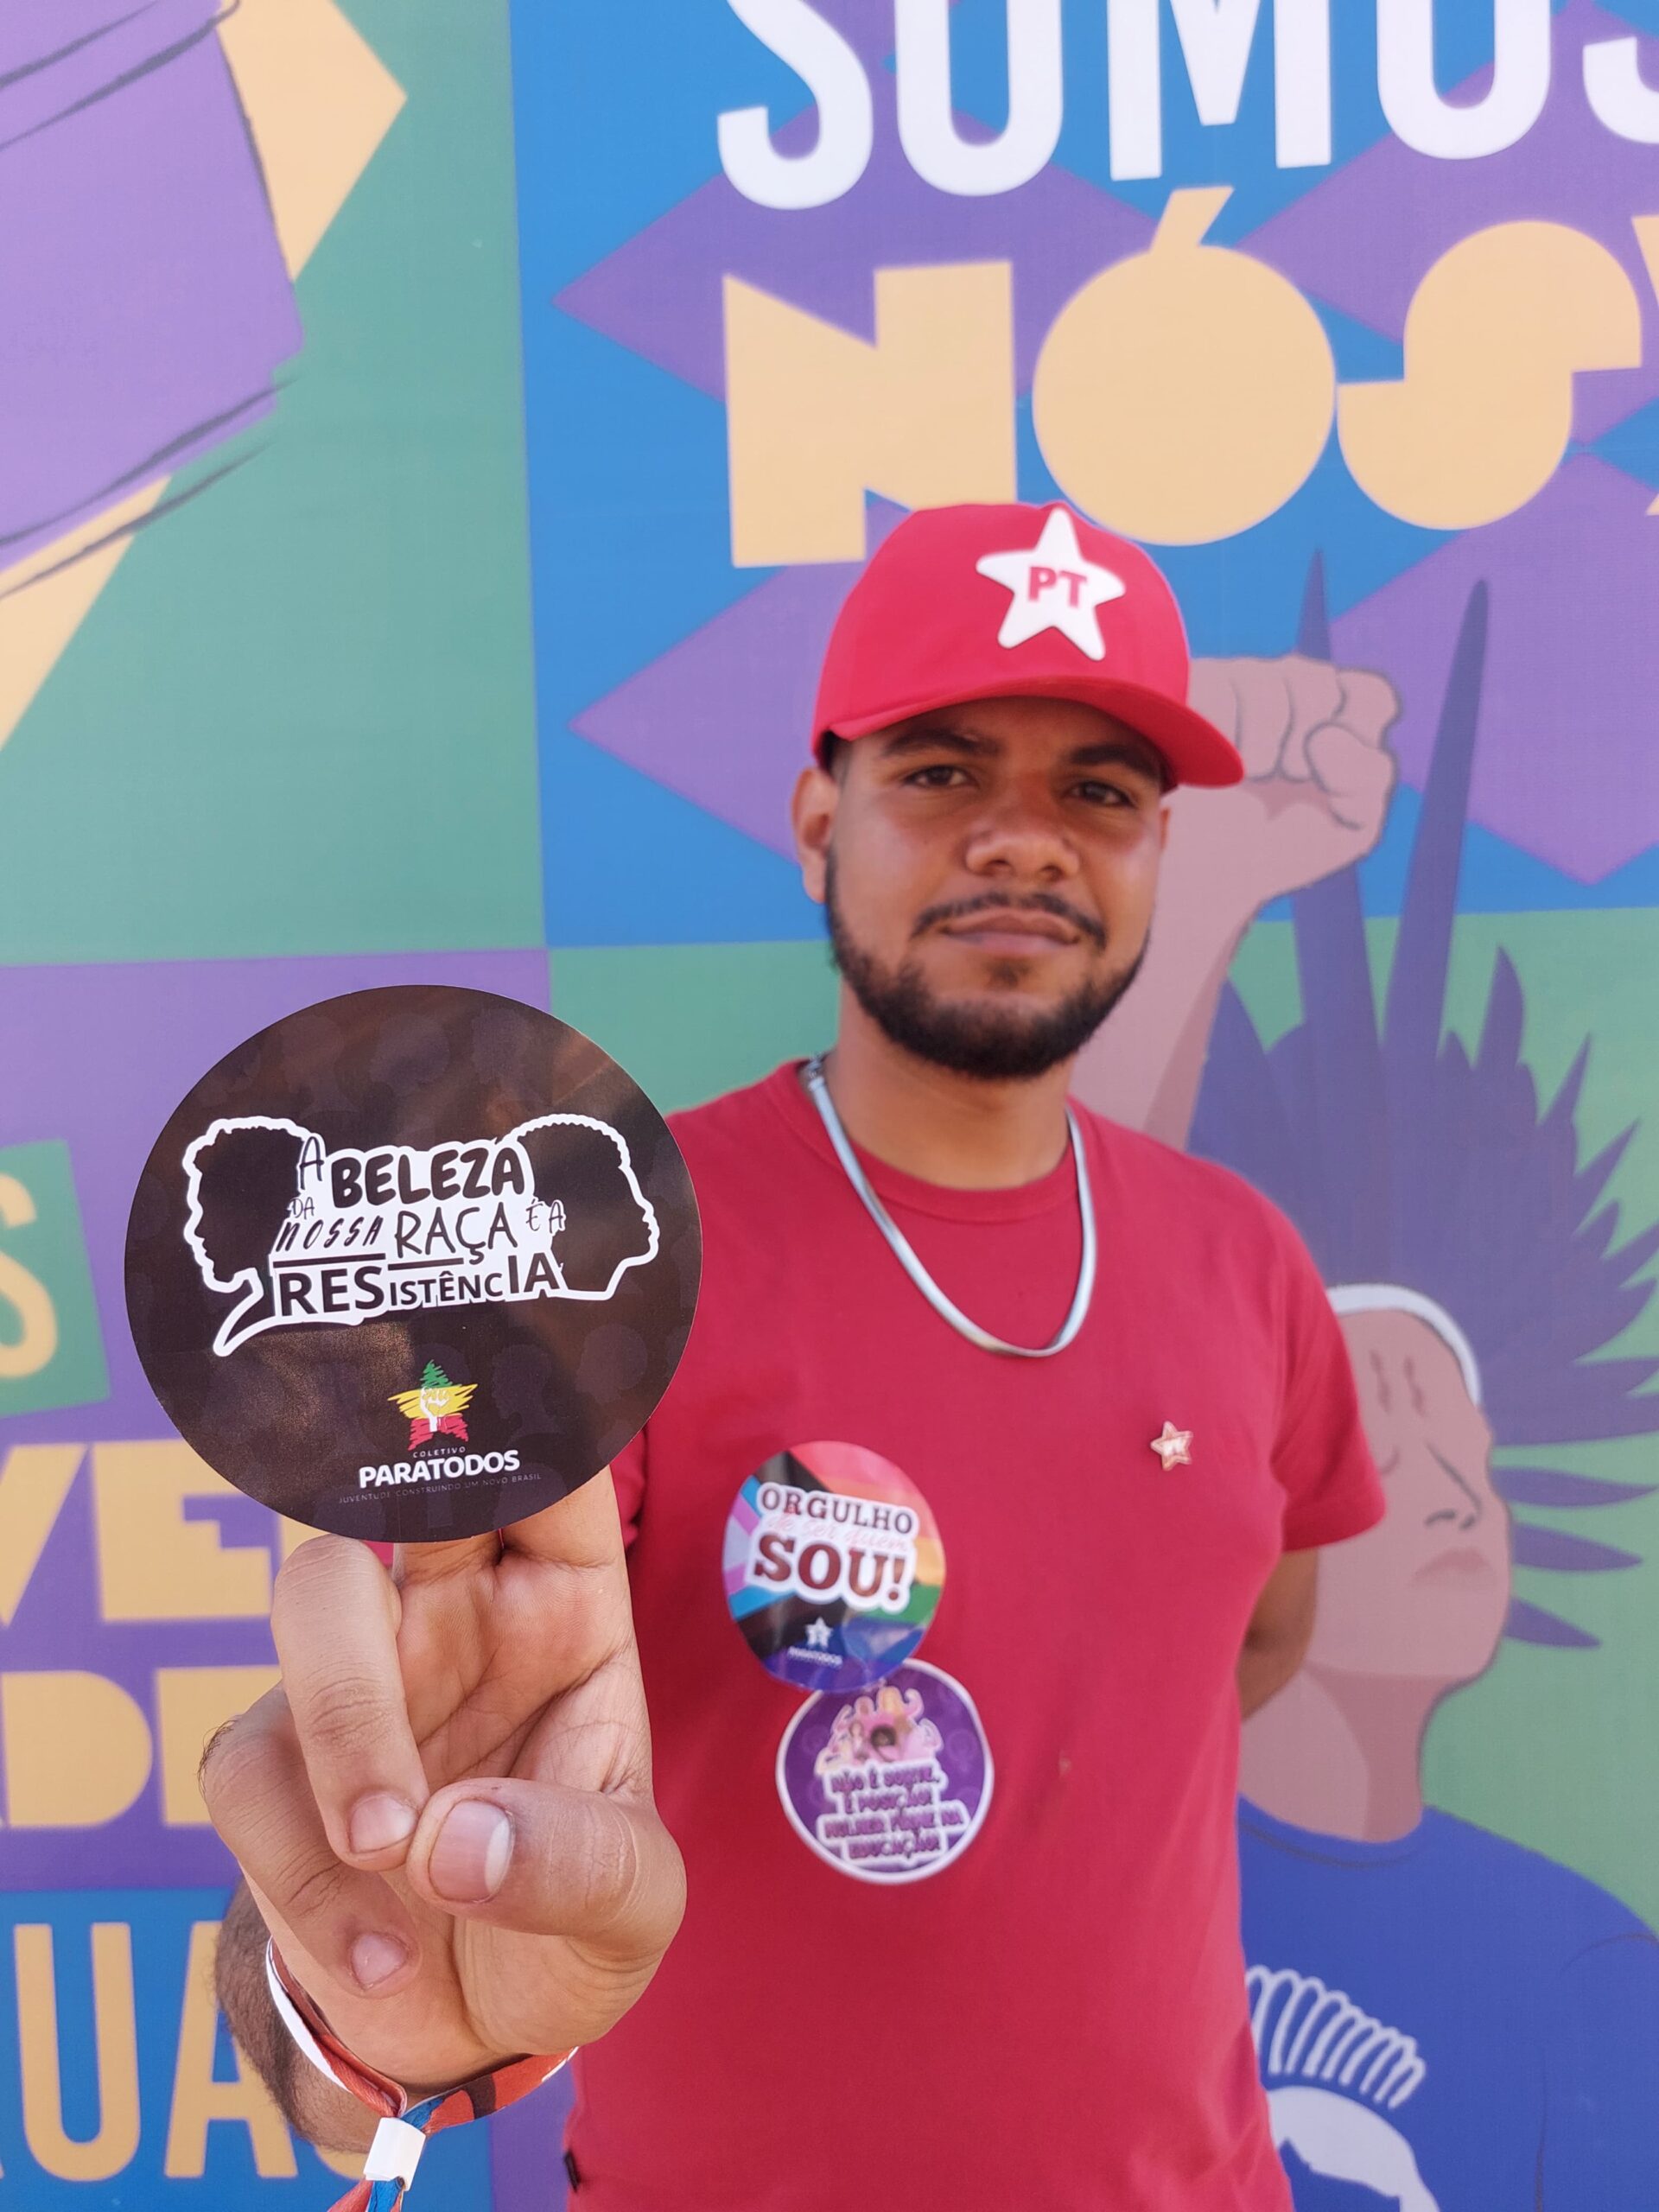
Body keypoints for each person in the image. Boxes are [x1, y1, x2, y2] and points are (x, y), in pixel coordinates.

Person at [202, 500, 1394, 2210]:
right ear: (820, 821)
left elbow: (1250, 1637)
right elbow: (427, 1761)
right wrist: (369, 1989)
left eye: (1099, 792)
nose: (1024, 840)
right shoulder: (600, 1269)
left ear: (1157, 852)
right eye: (945, 773)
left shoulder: (1247, 1261)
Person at [1183, 585, 1659, 2209]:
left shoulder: (1588, 1967)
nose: (1460, 1497)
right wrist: (1206, 896)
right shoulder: (1099, 1884)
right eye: (1386, 1442)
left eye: (1474, 1453)